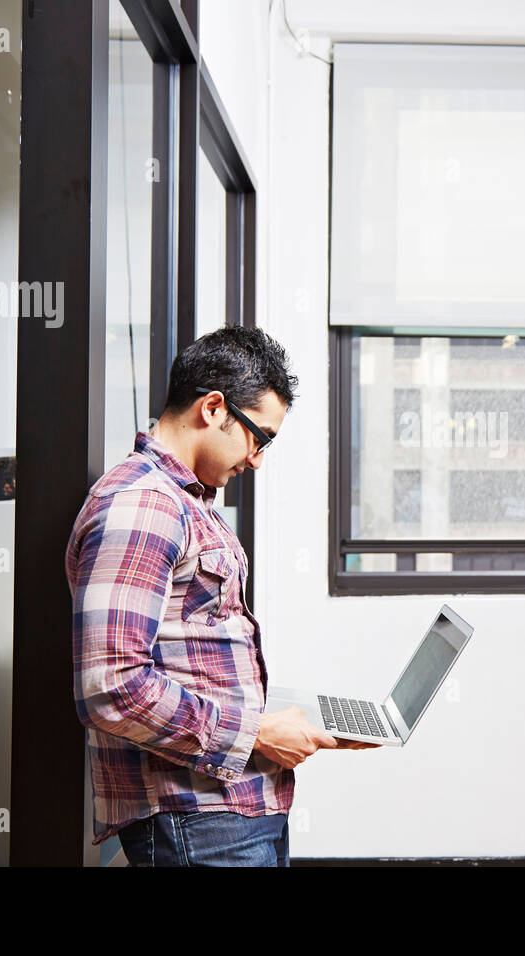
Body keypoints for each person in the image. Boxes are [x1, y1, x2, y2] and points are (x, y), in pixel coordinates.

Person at [65, 326, 376, 866]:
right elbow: (110, 686)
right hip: (198, 820)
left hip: (228, 813)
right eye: (261, 437)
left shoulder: (187, 501)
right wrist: (256, 732)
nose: (257, 460)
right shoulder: (144, 505)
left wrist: (284, 720)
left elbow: (192, 655)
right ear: (213, 407)